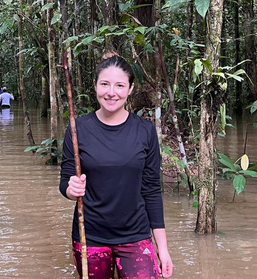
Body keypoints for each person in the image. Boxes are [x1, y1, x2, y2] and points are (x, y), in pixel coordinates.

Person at [60, 53, 174, 279]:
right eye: (105, 84)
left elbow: (151, 191)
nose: (111, 92)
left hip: (136, 236)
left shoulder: (145, 130)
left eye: (120, 85)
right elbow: (66, 181)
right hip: (89, 237)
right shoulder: (77, 129)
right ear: (95, 86)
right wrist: (71, 190)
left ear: (130, 89)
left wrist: (162, 248)